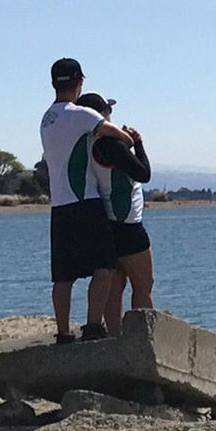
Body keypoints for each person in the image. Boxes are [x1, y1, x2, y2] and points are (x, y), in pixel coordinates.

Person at [40, 58, 134, 343]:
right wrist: (128, 137)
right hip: (86, 201)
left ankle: (63, 332)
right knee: (104, 267)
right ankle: (93, 326)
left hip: (59, 206)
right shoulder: (79, 114)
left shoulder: (47, 119)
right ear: (79, 82)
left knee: (63, 276)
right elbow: (118, 137)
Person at [76, 93, 152, 334]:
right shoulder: (109, 143)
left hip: (107, 219)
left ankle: (117, 335)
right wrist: (138, 143)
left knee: (116, 284)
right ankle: (141, 337)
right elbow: (143, 174)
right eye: (108, 112)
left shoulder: (86, 142)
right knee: (143, 284)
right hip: (127, 221)